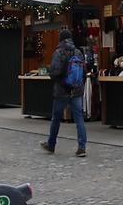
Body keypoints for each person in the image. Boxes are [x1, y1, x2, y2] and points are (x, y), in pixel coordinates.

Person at [40, 29, 87, 157]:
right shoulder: (78, 52)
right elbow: (84, 72)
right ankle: (82, 147)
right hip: (76, 91)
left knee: (56, 118)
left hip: (62, 91)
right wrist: (78, 85)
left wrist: (56, 79)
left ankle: (51, 145)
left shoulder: (58, 52)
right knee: (79, 119)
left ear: (60, 39)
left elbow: (54, 72)